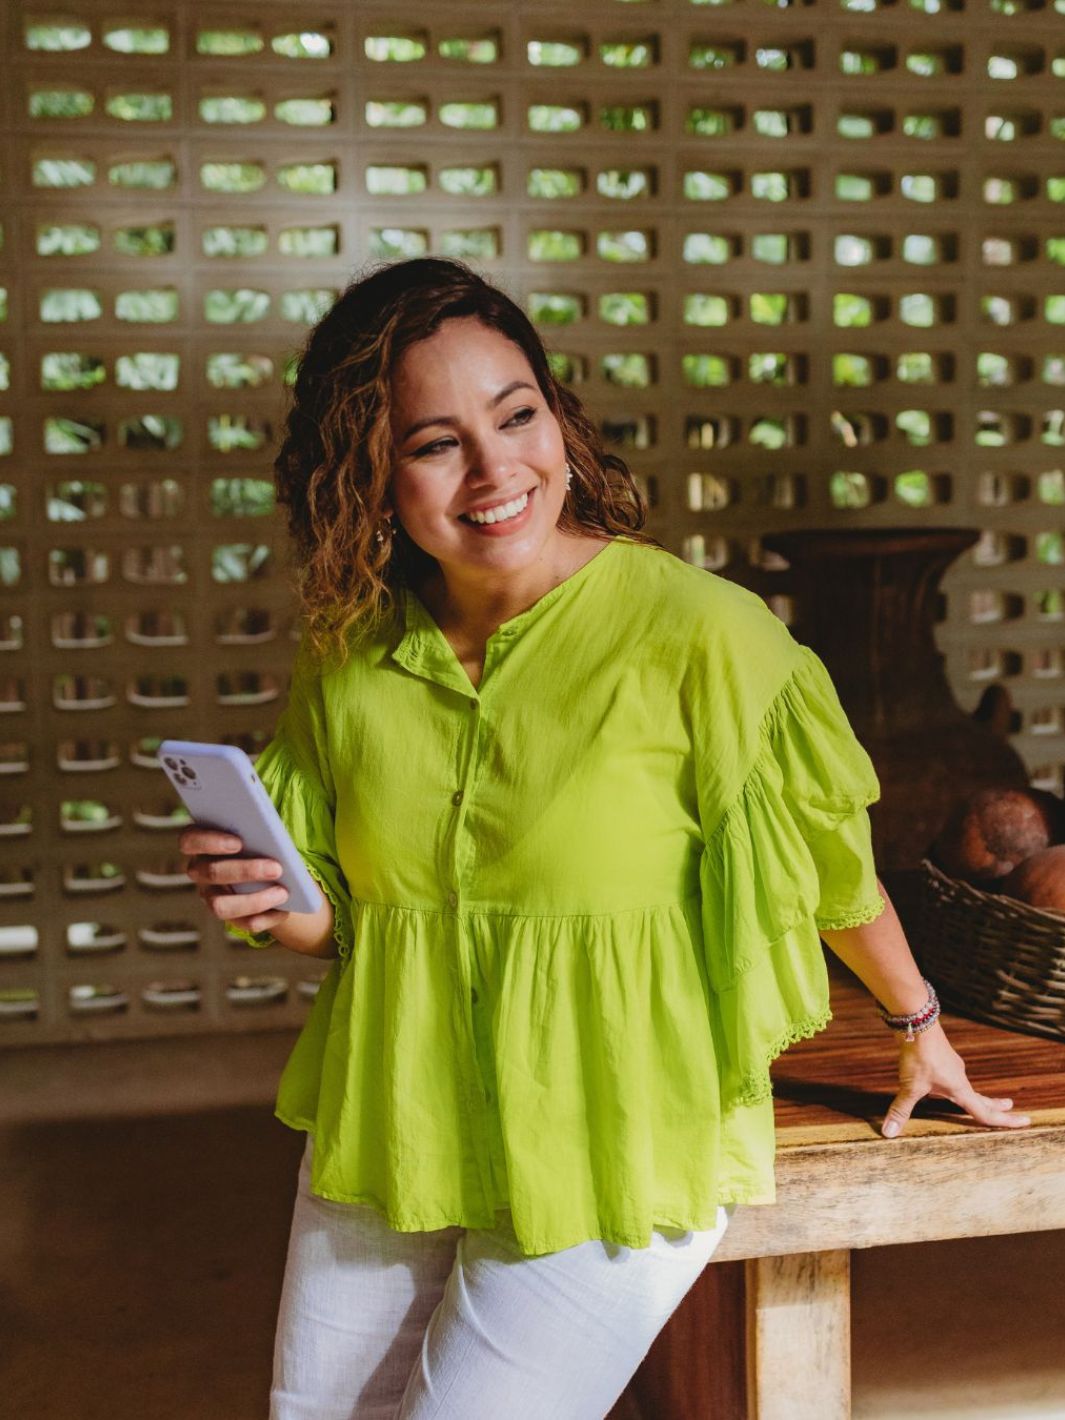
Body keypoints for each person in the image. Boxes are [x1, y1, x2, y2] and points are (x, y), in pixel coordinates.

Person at [181, 257, 1032, 1419]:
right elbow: (354, 922)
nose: (495, 470)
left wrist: (915, 1021)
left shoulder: (701, 635)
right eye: (436, 442)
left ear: (560, 420)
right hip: (401, 1115)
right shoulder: (350, 660)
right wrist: (284, 909)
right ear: (370, 476)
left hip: (619, 1132)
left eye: (517, 414)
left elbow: (829, 866)